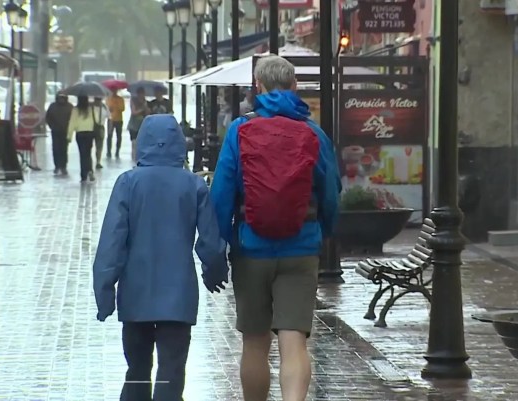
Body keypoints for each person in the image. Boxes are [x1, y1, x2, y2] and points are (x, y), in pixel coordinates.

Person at [209, 55, 341, 401]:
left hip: (251, 249)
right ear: (295, 86)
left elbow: (221, 195)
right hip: (302, 247)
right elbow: (331, 191)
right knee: (294, 341)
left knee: (254, 343)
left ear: (258, 86)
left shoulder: (240, 130)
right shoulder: (313, 132)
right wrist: (324, 231)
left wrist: (223, 244)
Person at [93, 114, 229, 401]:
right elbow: (209, 239)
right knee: (171, 371)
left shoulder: (128, 183)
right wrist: (214, 271)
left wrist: (104, 291)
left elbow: (112, 243)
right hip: (178, 295)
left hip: (136, 294)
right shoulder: (193, 185)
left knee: (137, 369)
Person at [67, 95, 97, 182]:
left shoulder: (76, 110)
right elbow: (96, 119)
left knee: (82, 154)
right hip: (90, 132)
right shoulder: (91, 109)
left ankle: (84, 175)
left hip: (80, 133)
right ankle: (90, 170)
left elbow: (72, 123)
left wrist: (69, 136)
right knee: (88, 153)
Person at [45, 92, 73, 175]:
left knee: (63, 149)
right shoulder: (53, 106)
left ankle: (63, 166)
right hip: (56, 130)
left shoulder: (69, 107)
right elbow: (48, 117)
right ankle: (57, 166)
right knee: (56, 149)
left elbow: (73, 119)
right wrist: (52, 126)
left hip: (65, 131)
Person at [127, 87, 149, 162]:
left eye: (142, 93)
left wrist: (146, 108)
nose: (141, 95)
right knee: (134, 143)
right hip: (133, 125)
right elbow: (133, 112)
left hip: (142, 125)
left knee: (142, 143)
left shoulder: (145, 102)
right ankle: (134, 159)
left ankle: (140, 158)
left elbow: (147, 113)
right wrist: (142, 109)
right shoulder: (133, 100)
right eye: (140, 93)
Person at [106, 89, 125, 158]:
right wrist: (111, 107)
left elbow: (122, 108)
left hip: (119, 119)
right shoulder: (108, 99)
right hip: (110, 119)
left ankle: (117, 151)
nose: (114, 92)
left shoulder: (120, 99)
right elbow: (107, 108)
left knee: (119, 136)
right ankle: (108, 151)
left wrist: (116, 105)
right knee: (109, 135)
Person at [92, 97, 109, 169]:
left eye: (99, 99)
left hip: (101, 127)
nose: (98, 101)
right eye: (97, 99)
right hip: (91, 127)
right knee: (89, 145)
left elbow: (109, 117)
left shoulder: (104, 107)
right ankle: (90, 161)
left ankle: (98, 161)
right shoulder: (90, 106)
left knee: (99, 145)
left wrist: (109, 129)